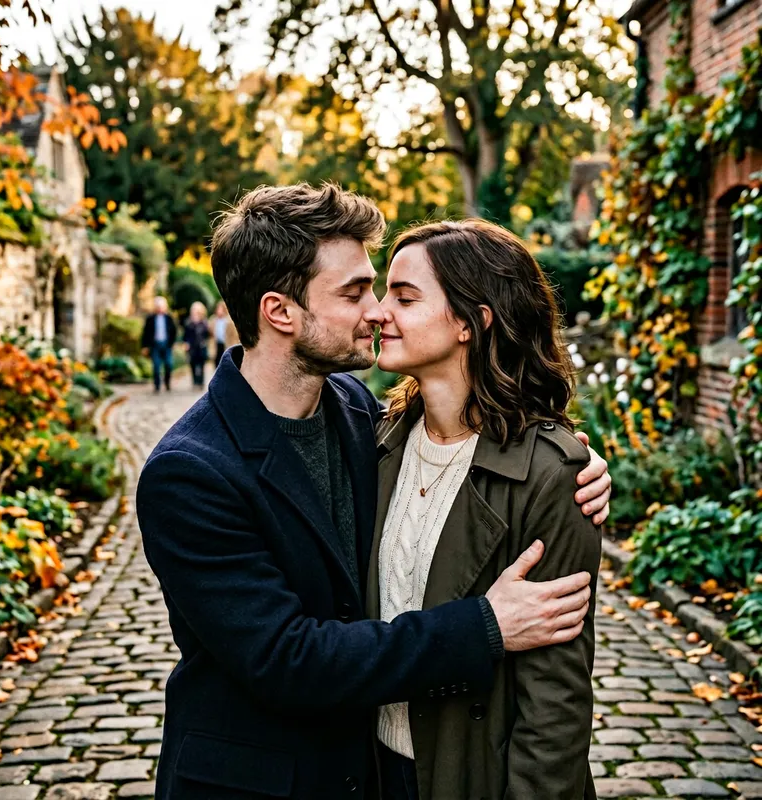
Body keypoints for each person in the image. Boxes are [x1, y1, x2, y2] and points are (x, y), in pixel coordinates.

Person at [136, 184, 611, 800]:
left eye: (386, 290)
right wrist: (484, 626)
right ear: (280, 312)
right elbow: (288, 659)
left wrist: (571, 460)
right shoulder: (190, 472)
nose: (377, 310)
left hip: (375, 773)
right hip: (260, 782)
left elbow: (474, 438)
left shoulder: (361, 413)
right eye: (355, 292)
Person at [373, 219, 600, 800]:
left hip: (475, 776)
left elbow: (556, 705)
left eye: (404, 297)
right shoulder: (375, 443)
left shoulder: (552, 477)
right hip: (370, 771)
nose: (378, 312)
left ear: (473, 321)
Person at [141, 296, 177, 393]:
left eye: (161, 306)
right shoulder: (150, 319)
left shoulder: (169, 318)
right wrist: (144, 346)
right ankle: (157, 385)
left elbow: (174, 331)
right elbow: (145, 333)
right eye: (158, 306)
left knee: (168, 364)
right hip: (155, 345)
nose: (160, 308)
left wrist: (172, 343)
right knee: (156, 366)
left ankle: (167, 382)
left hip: (166, 345)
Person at [183, 301, 210, 389]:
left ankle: (200, 382)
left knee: (201, 365)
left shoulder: (204, 322)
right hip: (192, 347)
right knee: (193, 364)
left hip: (201, 346)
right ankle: (195, 381)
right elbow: (185, 335)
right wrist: (186, 343)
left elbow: (207, 334)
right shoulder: (188, 322)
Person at [210, 300, 238, 368]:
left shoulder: (229, 321)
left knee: (225, 364)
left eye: (221, 309)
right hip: (217, 345)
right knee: (217, 363)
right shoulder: (213, 320)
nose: (219, 311)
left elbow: (234, 335)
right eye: (218, 309)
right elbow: (210, 333)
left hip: (226, 345)